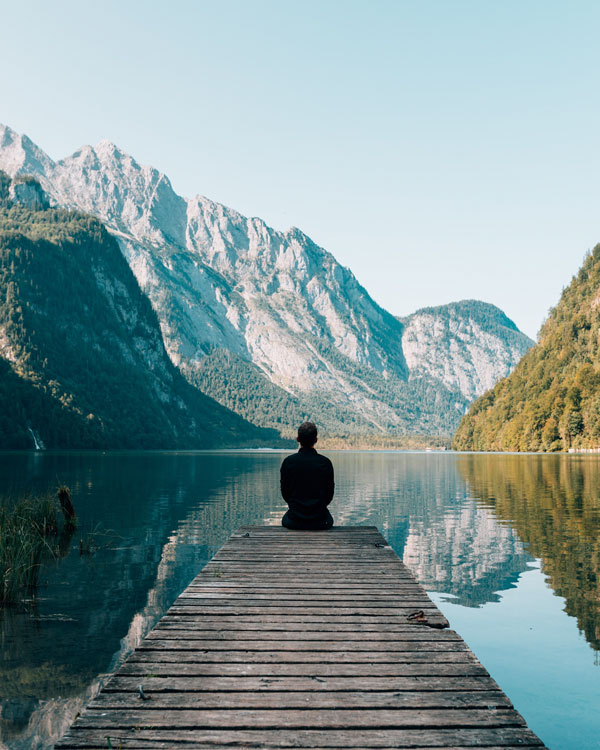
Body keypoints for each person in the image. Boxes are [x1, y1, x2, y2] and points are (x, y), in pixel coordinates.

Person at [280, 422, 334, 530]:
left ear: (298, 439)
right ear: (315, 440)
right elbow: (329, 494)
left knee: (285, 518)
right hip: (321, 521)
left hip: (294, 521)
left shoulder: (288, 462)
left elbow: (285, 493)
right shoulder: (325, 463)